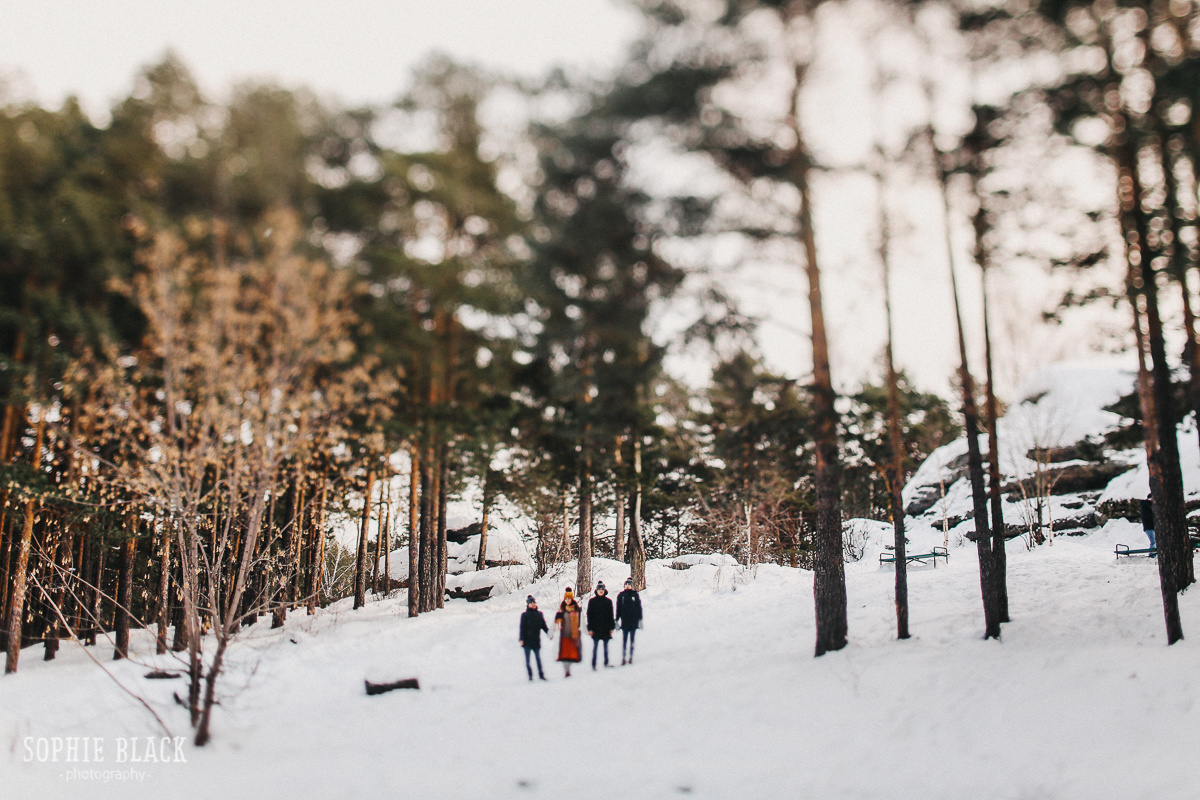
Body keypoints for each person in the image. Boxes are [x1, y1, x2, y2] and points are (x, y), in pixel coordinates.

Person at [586, 581, 616, 670]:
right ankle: (594, 664)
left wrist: (611, 627)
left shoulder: (608, 601)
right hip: (595, 628)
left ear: (605, 590)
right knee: (595, 646)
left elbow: (611, 615)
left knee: (606, 646)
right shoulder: (592, 601)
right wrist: (590, 629)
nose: (601, 591)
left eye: (602, 589)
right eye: (599, 589)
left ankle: (606, 662)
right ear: (596, 590)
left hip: (606, 628)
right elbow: (589, 616)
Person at [554, 587, 583, 677]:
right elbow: (557, 621)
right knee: (565, 655)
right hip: (565, 635)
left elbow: (581, 622)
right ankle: (567, 670)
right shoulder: (562, 610)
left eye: (569, 599)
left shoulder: (576, 609)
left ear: (572, 599)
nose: (567, 600)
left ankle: (569, 668)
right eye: (566, 599)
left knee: (572, 655)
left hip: (573, 635)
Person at [519, 595, 549, 681]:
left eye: (533, 602)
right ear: (528, 605)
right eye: (530, 603)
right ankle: (530, 676)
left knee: (538, 659)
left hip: (536, 640)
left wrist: (549, 633)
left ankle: (541, 675)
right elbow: (522, 628)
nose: (532, 604)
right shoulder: (524, 615)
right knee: (528, 660)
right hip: (527, 641)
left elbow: (544, 626)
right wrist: (521, 639)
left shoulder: (539, 614)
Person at [615, 577, 643, 665]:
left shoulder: (635, 595)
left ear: (632, 586)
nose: (627, 586)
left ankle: (631, 656)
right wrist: (616, 620)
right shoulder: (621, 595)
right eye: (626, 584)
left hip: (633, 621)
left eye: (629, 585)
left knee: (632, 639)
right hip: (625, 621)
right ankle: (624, 657)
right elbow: (618, 608)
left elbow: (638, 607)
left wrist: (640, 619)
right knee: (625, 639)